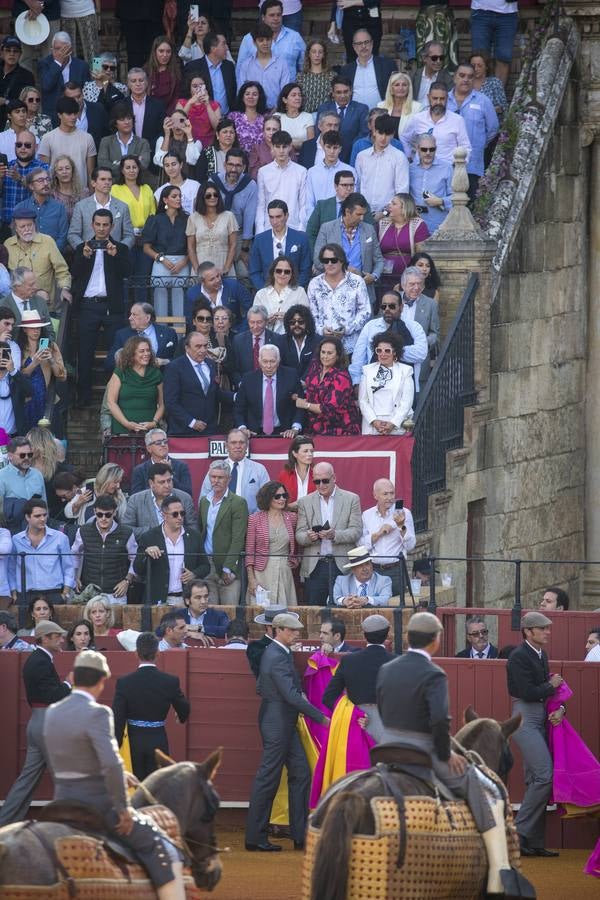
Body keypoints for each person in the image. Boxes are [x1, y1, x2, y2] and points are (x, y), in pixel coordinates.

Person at [378, 611, 533, 898]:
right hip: (424, 753)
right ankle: (499, 879)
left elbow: (383, 709)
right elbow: (439, 721)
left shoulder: (388, 668)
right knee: (485, 791)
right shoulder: (432, 672)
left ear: (409, 638)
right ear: (436, 641)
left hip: (388, 750)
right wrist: (445, 753)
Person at [43, 648, 188, 897]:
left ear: (73, 677)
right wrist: (122, 808)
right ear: (102, 680)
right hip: (96, 807)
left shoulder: (53, 712)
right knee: (165, 849)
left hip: (61, 802)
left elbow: (75, 759)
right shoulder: (98, 713)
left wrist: (121, 774)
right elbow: (110, 765)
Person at [245, 612, 329, 853]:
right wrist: (321, 718)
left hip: (282, 719)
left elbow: (262, 686)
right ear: (278, 630)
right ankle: (254, 837)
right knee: (268, 778)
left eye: (296, 631)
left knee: (301, 771)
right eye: (291, 631)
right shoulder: (277, 655)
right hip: (278, 722)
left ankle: (300, 834)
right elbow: (291, 695)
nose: (295, 634)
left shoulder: (279, 652)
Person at [0, 620, 71, 826]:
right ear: (44, 638)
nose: (61, 640)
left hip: (37, 722)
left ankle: (4, 822)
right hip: (47, 723)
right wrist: (69, 683)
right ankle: (73, 824)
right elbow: (53, 695)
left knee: (27, 779)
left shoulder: (38, 659)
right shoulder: (41, 661)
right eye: (57, 636)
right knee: (66, 777)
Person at [506, 611, 562, 857]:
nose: (548, 632)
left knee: (534, 778)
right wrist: (552, 685)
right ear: (528, 631)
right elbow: (528, 691)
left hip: (538, 715)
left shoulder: (541, 653)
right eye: (543, 628)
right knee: (544, 775)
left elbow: (546, 693)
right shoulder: (519, 656)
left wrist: (560, 706)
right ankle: (518, 835)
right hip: (525, 717)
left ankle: (533, 842)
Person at [71, 209, 130, 408]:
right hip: (88, 306)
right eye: (98, 224)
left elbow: (126, 273)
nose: (102, 228)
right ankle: (83, 397)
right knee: (84, 353)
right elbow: (75, 274)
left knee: (116, 354)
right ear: (92, 225)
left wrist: (114, 255)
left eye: (106, 225)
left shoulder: (120, 248)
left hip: (111, 308)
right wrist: (84, 256)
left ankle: (114, 398)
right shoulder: (82, 247)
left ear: (112, 226)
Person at [113, 631, 191, 780]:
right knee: (157, 786)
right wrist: (181, 716)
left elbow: (118, 718)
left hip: (133, 742)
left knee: (135, 786)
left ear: (136, 654)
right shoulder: (169, 681)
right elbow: (184, 707)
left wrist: (116, 746)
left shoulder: (124, 683)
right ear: (158, 653)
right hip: (158, 739)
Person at [296, 461, 363, 606]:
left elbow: (356, 531)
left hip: (341, 564)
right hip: (315, 566)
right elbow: (299, 535)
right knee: (314, 610)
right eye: (317, 481)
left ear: (334, 478)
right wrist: (309, 537)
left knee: (342, 610)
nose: (321, 485)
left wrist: (335, 535)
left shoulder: (351, 499)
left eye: (325, 481)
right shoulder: (305, 502)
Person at [323, 612, 393, 737]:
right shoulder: (396, 662)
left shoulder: (349, 661)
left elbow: (328, 697)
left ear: (364, 635)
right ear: (387, 634)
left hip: (357, 725)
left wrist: (352, 715)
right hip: (389, 725)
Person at [133, 494, 209, 605]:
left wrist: (194, 574)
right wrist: (146, 554)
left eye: (182, 513)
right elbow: (137, 569)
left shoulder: (194, 536)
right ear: (164, 515)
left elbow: (206, 566)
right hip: (158, 599)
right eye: (175, 514)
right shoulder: (149, 537)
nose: (180, 517)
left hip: (186, 599)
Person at [313, 192, 383, 306]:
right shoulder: (327, 228)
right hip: (333, 292)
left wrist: (374, 276)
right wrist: (344, 269)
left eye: (363, 214)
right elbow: (318, 260)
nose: (362, 218)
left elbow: (379, 259)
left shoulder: (369, 229)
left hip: (363, 293)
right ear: (347, 212)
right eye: (358, 214)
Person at [349, 289, 428, 388]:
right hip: (374, 384)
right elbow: (358, 358)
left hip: (405, 385)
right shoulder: (370, 326)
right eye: (384, 306)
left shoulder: (414, 327)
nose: (387, 309)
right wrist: (356, 382)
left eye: (391, 306)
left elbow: (421, 353)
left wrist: (390, 351)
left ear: (401, 307)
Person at [198, 459, 248, 605]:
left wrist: (229, 567)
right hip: (207, 564)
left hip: (228, 567)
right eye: (213, 477)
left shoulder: (238, 502)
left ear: (229, 479)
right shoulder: (204, 501)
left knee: (230, 612)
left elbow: (238, 538)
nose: (216, 481)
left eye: (220, 477)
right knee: (208, 610)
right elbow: (202, 531)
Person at [163, 330, 232, 436]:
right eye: (198, 346)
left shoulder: (211, 364)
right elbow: (171, 402)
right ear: (187, 348)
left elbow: (215, 393)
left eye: (205, 346)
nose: (203, 350)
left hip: (209, 429)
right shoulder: (174, 367)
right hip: (184, 431)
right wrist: (192, 422)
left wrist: (237, 396)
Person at [9, 498, 77, 605]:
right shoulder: (16, 540)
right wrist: (13, 593)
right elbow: (11, 569)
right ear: (27, 517)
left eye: (45, 515)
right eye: (37, 516)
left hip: (53, 593)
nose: (42, 519)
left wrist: (65, 593)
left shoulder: (60, 538)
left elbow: (68, 566)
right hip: (25, 595)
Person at [71, 494, 137, 603]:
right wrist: (75, 577)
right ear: (94, 512)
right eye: (99, 514)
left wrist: (127, 580)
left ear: (114, 512)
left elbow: (135, 559)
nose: (103, 518)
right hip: (90, 591)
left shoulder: (126, 532)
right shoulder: (83, 531)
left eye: (108, 515)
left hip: (116, 594)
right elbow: (74, 554)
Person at [307, 242, 371, 354]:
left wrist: (347, 329)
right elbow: (312, 313)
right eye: (326, 261)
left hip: (351, 345)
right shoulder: (314, 283)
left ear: (341, 260)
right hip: (323, 346)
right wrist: (321, 330)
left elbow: (365, 311)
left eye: (334, 260)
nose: (330, 263)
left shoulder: (357, 281)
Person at [448, 61, 498, 200]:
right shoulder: (443, 100)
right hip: (445, 164)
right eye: (462, 75)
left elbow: (493, 128)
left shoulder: (483, 101)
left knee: (470, 206)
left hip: (472, 165)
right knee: (445, 204)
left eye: (470, 77)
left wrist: (479, 144)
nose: (466, 79)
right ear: (454, 78)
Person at [234, 343, 304, 437]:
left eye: (272, 361)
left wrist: (295, 428)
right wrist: (242, 428)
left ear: (278, 361)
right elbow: (238, 409)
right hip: (254, 433)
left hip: (284, 432)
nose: (268, 366)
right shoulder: (248, 379)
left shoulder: (291, 376)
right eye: (265, 361)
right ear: (259, 361)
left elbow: (300, 406)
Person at [5, 205, 71, 305]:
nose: (27, 229)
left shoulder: (47, 241)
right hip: (18, 305)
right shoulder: (8, 245)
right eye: (22, 226)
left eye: (30, 225)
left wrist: (65, 289)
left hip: (45, 304)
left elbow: (61, 270)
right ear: (16, 229)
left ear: (35, 225)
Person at [246, 480, 299, 604]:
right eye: (277, 496)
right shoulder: (255, 519)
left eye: (284, 495)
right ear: (268, 498)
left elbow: (299, 543)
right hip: (262, 572)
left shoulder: (292, 518)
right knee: (261, 612)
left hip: (285, 571)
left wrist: (296, 559)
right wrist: (251, 578)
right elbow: (249, 551)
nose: (282, 499)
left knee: (284, 614)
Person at [361, 478, 416, 595]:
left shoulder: (404, 513)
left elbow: (410, 545)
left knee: (397, 607)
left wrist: (401, 526)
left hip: (396, 570)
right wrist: (379, 533)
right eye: (385, 494)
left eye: (392, 493)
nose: (390, 497)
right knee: (374, 605)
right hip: (374, 570)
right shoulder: (367, 515)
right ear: (375, 495)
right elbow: (361, 545)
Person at [208, 148, 258, 278]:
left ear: (244, 167)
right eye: (230, 165)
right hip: (217, 234)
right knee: (217, 273)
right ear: (224, 165)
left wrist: (245, 249)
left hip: (240, 235)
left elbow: (249, 217)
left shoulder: (250, 185)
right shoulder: (213, 182)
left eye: (238, 165)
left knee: (244, 274)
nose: (234, 169)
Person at [142, 184, 190, 318]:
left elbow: (192, 246)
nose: (178, 199)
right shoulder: (155, 219)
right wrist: (161, 259)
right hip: (161, 261)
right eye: (174, 196)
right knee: (159, 301)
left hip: (183, 262)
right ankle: (161, 334)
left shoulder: (187, 219)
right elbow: (146, 247)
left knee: (180, 301)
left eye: (180, 196)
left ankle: (180, 337)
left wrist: (184, 262)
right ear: (165, 200)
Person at [298, 336, 360, 436]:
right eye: (323, 352)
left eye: (329, 353)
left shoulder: (342, 377)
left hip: (340, 431)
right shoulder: (315, 370)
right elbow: (308, 388)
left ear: (338, 355)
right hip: (315, 430)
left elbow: (328, 409)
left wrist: (306, 405)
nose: (325, 356)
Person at [199, 427, 269, 515]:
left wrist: (254, 521)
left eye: (241, 442)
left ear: (247, 445)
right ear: (226, 446)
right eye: (233, 443)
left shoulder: (259, 469)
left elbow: (267, 500)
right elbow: (203, 499)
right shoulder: (215, 469)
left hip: (250, 521)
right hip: (220, 522)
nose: (238, 446)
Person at [106, 335, 164, 436]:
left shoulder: (156, 373)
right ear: (132, 354)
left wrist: (154, 422)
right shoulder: (120, 372)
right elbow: (111, 402)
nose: (146, 354)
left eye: (148, 350)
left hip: (150, 432)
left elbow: (162, 404)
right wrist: (126, 423)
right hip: (122, 429)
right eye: (142, 351)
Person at [401, 82, 472, 165]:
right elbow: (405, 138)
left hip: (447, 172)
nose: (438, 102)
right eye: (435, 98)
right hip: (421, 171)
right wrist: (410, 157)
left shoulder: (457, 120)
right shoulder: (418, 119)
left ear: (447, 98)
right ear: (428, 98)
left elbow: (465, 147)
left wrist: (458, 166)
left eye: (442, 99)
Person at [359, 330, 415, 435]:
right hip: (372, 426)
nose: (383, 354)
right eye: (379, 350)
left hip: (396, 426)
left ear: (395, 352)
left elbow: (407, 402)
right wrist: (374, 421)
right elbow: (363, 401)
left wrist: (393, 423)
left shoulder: (406, 371)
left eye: (387, 351)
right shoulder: (367, 371)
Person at [236, 0, 305, 85]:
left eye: (279, 15)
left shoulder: (295, 38)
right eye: (272, 15)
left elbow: (305, 68)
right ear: (263, 17)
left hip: (288, 94)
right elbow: (239, 69)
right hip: (256, 95)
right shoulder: (249, 39)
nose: (276, 18)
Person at [17, 310, 67, 429]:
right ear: (24, 329)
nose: (36, 331)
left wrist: (51, 360)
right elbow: (17, 377)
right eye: (32, 328)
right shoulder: (18, 348)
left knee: (47, 434)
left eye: (38, 328)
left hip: (45, 398)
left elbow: (62, 376)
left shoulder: (51, 346)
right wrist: (34, 363)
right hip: (25, 399)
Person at [249, 199, 312, 291]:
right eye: (271, 217)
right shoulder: (259, 240)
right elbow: (254, 271)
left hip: (293, 292)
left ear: (286, 216)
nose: (274, 221)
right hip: (267, 292)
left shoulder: (301, 238)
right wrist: (266, 292)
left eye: (278, 217)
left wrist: (293, 291)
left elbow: (305, 270)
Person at [67, 166, 135, 250]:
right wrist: (84, 249)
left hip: (114, 258)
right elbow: (73, 234)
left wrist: (118, 250)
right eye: (103, 179)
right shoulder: (81, 206)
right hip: (88, 257)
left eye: (109, 180)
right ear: (93, 183)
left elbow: (129, 236)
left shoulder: (123, 207)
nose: (107, 182)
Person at [122, 462, 195, 539]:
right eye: (162, 482)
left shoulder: (185, 498)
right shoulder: (136, 500)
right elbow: (126, 529)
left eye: (169, 480)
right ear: (151, 483)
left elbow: (193, 528)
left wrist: (176, 533)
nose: (167, 485)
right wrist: (152, 531)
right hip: (147, 548)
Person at [38, 96, 96, 188]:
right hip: (55, 193)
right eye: (69, 114)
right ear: (59, 115)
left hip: (81, 193)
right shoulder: (47, 138)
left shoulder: (87, 138)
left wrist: (91, 197)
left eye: (75, 113)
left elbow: (91, 172)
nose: (73, 117)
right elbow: (43, 171)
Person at [256, 130, 307, 234]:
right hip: (269, 228)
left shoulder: (301, 171)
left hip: (294, 226)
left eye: (284, 147)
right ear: (272, 147)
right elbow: (261, 204)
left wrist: (302, 230)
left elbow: (303, 204)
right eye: (278, 147)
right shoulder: (263, 172)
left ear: (290, 147)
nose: (281, 151)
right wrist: (260, 231)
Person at [105, 303, 179, 372]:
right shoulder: (122, 334)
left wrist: (164, 361)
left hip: (162, 377)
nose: (130, 318)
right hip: (133, 379)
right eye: (130, 314)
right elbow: (110, 362)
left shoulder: (168, 333)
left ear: (147, 318)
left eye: (134, 315)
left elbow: (179, 359)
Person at [186, 181, 238, 277]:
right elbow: (191, 247)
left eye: (215, 195)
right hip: (201, 265)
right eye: (208, 196)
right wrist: (197, 270)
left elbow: (233, 245)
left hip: (223, 264)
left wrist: (226, 268)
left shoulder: (229, 216)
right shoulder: (193, 218)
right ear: (202, 198)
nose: (213, 197)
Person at [398, 265, 441, 381]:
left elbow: (435, 334)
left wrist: (423, 342)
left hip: (418, 358)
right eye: (412, 284)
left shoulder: (430, 304)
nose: (416, 287)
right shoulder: (393, 300)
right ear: (403, 285)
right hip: (394, 356)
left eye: (419, 284)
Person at [305, 169, 365, 251]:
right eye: (344, 185)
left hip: (355, 257)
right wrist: (317, 257)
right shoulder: (322, 206)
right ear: (336, 186)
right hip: (327, 258)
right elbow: (311, 233)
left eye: (351, 185)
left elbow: (368, 231)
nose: (349, 188)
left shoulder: (363, 205)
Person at [1, 129, 49, 227]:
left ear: (35, 147)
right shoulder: (6, 167)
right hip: (7, 224)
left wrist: (20, 179)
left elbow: (44, 192)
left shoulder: (43, 168)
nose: (22, 148)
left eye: (27, 145)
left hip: (32, 226)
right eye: (19, 145)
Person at [316, 76, 369, 165]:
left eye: (346, 92)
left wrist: (346, 148)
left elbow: (364, 133)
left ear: (351, 91)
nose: (342, 96)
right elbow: (318, 132)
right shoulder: (324, 108)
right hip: (327, 155)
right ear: (332, 93)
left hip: (351, 155)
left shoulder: (361, 109)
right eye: (338, 92)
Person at [237, 25, 291, 112]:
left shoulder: (282, 63)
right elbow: (241, 91)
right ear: (254, 42)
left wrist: (276, 109)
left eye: (268, 39)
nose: (265, 43)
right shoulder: (246, 65)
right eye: (261, 40)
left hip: (276, 112)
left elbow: (285, 91)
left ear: (272, 40)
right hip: (252, 113)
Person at [305, 132, 357, 220]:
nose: (332, 151)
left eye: (335, 148)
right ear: (323, 147)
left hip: (341, 221)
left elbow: (352, 199)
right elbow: (309, 201)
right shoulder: (312, 172)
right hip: (317, 220)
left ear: (340, 149)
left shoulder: (350, 171)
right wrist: (314, 220)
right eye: (328, 147)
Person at [38, 32, 90, 119]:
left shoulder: (82, 66)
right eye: (57, 49)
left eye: (64, 49)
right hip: (53, 115)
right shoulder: (45, 63)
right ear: (52, 50)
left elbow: (87, 92)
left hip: (76, 114)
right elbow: (46, 85)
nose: (60, 52)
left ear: (70, 49)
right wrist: (58, 63)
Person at [409, 134, 453, 235]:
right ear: (417, 149)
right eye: (424, 149)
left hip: (438, 225)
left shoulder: (447, 168)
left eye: (432, 149)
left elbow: (457, 197)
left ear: (436, 149)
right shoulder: (410, 169)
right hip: (413, 225)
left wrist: (441, 201)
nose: (428, 153)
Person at [184, 32, 236, 117]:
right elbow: (186, 95)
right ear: (213, 48)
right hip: (203, 119)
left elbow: (233, 93)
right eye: (223, 44)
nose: (227, 48)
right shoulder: (193, 67)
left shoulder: (229, 66)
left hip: (226, 119)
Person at [230, 305, 285, 386]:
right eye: (252, 322)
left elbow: (282, 366)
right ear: (248, 322)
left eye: (259, 322)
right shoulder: (238, 340)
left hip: (271, 386)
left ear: (266, 322)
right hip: (246, 386)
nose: (255, 326)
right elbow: (234, 369)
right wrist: (241, 384)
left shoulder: (277, 339)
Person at [255, 257, 308, 336]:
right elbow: (254, 320)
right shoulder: (261, 294)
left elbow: (306, 318)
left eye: (287, 272)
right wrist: (266, 320)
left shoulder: (300, 292)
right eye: (279, 271)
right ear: (273, 272)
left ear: (291, 274)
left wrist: (289, 318)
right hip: (267, 339)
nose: (282, 274)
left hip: (292, 337)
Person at [470, 0, 518, 86]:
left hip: (508, 13)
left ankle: (498, 96)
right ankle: (479, 97)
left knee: (503, 58)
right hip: (480, 10)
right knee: (478, 58)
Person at [131, 428, 193, 496]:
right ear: (149, 448)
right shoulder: (140, 470)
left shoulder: (181, 466)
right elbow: (136, 498)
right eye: (158, 443)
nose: (163, 445)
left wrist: (170, 474)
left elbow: (188, 494)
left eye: (165, 441)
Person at [97, 106, 152, 181]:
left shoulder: (143, 142)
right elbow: (103, 165)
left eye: (129, 118)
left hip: (137, 185)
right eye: (122, 119)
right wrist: (133, 161)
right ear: (115, 123)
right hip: (112, 186)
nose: (127, 122)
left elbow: (143, 165)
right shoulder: (106, 141)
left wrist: (117, 163)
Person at [22, 167, 69, 251]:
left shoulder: (59, 208)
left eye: (47, 179)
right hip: (27, 257)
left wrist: (50, 254)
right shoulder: (21, 208)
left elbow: (63, 237)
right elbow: (17, 236)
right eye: (40, 180)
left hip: (53, 256)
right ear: (31, 186)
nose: (46, 183)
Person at [126, 67, 167, 154]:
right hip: (127, 153)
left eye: (141, 80)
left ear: (146, 83)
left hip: (152, 152)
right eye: (133, 81)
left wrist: (149, 147)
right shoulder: (121, 105)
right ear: (128, 84)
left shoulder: (158, 105)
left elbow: (162, 131)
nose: (138, 84)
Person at [0, 435, 47, 511]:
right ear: (10, 456)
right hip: (13, 522)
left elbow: (44, 503)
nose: (26, 458)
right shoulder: (2, 477)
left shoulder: (37, 474)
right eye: (22, 455)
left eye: (30, 455)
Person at [176, 72, 221, 146]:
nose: (198, 89)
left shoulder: (214, 105)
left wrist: (207, 105)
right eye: (195, 86)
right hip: (187, 143)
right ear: (189, 88)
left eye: (201, 86)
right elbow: (177, 124)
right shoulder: (182, 103)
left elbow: (218, 128)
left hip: (208, 145)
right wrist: (190, 103)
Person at [153, 110, 202, 178]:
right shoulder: (162, 140)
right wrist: (167, 134)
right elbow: (159, 162)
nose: (177, 125)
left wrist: (189, 133)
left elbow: (192, 160)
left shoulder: (196, 142)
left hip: (189, 183)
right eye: (174, 121)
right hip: (168, 183)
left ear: (187, 122)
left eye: (181, 121)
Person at [279, 305, 320, 381]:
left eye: (301, 322)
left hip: (312, 386)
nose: (296, 325)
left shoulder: (318, 341)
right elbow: (281, 368)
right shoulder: (281, 341)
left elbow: (317, 366)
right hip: (289, 387)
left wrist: (306, 381)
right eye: (292, 322)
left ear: (307, 322)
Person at [153, 151, 200, 217]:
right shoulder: (159, 191)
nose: (170, 168)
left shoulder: (195, 186)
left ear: (181, 165)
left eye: (174, 164)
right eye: (167, 165)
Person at [275, 433, 315, 510]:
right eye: (305, 451)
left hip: (313, 518)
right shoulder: (284, 475)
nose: (310, 454)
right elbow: (277, 502)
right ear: (295, 453)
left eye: (311, 451)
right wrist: (290, 506)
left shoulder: (317, 473)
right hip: (289, 518)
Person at [378, 71, 422, 137]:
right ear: (391, 88)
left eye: (404, 85)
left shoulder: (417, 108)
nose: (401, 88)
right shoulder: (381, 106)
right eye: (397, 85)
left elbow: (419, 133)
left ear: (409, 88)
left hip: (407, 146)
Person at [145, 36, 181, 116]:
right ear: (155, 52)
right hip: (148, 115)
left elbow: (176, 99)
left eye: (168, 51)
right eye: (161, 51)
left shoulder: (176, 73)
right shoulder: (145, 71)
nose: (165, 55)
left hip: (168, 117)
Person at [195, 116, 238, 182]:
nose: (228, 135)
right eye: (225, 132)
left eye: (231, 132)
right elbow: (200, 178)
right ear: (217, 135)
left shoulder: (240, 154)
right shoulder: (207, 153)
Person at [0, 38, 30, 131]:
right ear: (2, 52)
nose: (12, 54)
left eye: (15, 51)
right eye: (8, 50)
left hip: (12, 126)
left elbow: (28, 103)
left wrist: (6, 101)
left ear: (20, 54)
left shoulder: (27, 76)